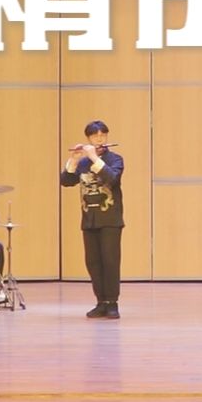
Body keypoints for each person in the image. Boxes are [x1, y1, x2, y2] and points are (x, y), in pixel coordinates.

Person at [60, 120, 124, 320]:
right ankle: (100, 302)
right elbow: (66, 181)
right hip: (89, 219)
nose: (99, 139)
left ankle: (112, 303)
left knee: (110, 261)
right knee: (93, 262)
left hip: (110, 219)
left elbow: (112, 178)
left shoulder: (115, 159)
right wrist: (74, 160)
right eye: (95, 136)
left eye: (103, 135)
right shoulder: (83, 163)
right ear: (88, 138)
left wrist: (94, 157)